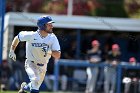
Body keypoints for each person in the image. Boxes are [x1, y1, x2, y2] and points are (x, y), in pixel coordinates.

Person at [9, 15, 61, 93]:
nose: (52, 26)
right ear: (43, 25)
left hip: (43, 66)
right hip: (31, 63)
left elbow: (58, 55)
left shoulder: (52, 37)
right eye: (49, 24)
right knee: (35, 81)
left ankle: (24, 88)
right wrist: (12, 50)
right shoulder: (32, 35)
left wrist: (49, 51)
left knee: (34, 85)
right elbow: (17, 37)